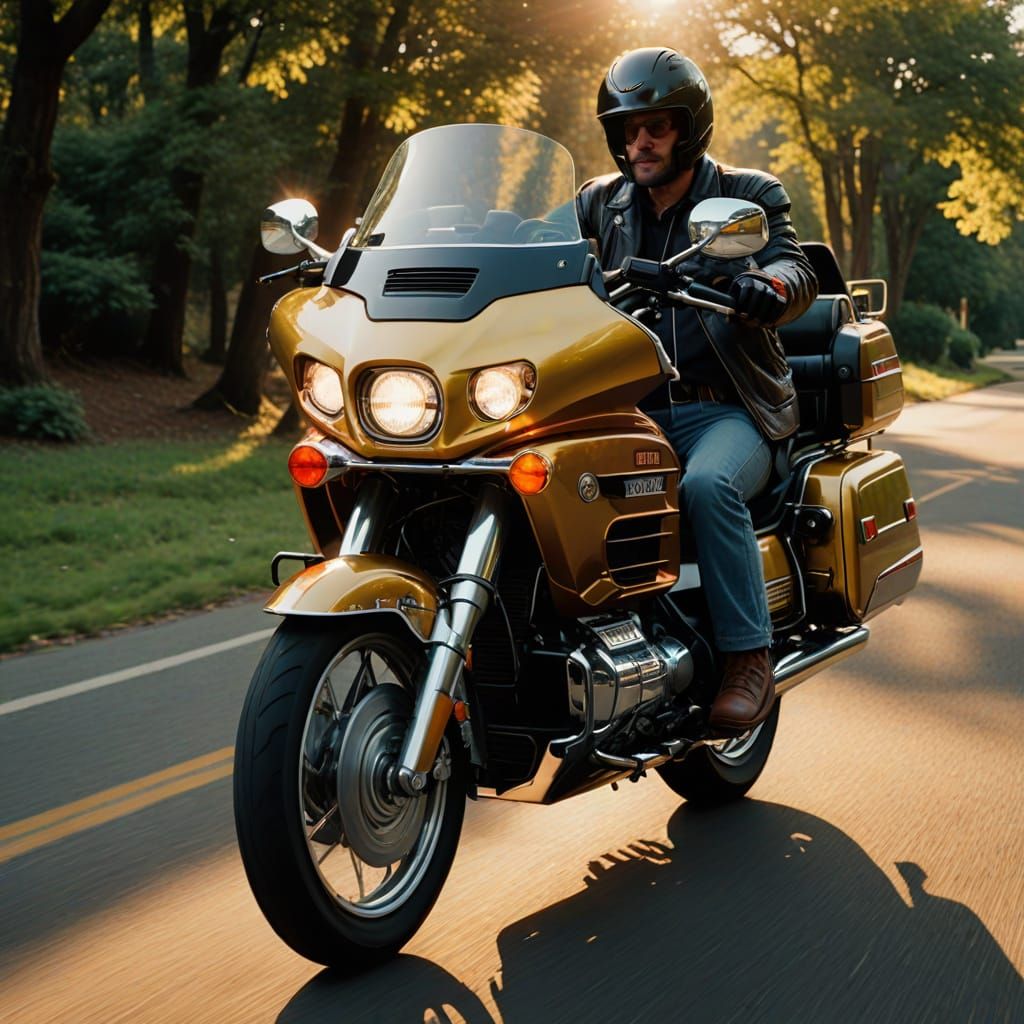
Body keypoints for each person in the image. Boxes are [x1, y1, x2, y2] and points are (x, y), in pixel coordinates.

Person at [577, 47, 818, 731]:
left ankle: (749, 657)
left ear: (690, 128)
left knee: (707, 485)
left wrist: (766, 287)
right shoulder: (599, 204)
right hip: (632, 413)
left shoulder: (748, 196)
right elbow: (536, 252)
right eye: (627, 129)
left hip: (730, 414)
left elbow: (794, 267)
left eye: (654, 126)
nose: (639, 142)